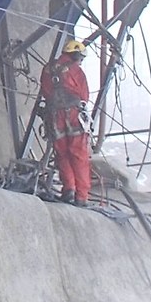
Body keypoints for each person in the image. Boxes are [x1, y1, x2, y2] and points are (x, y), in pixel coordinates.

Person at [40, 38, 94, 205]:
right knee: (78, 154)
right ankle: (82, 196)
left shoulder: (48, 69)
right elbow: (84, 96)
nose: (81, 62)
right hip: (73, 116)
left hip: (55, 116)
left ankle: (68, 190)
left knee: (62, 154)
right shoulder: (76, 71)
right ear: (76, 56)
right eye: (81, 59)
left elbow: (45, 91)